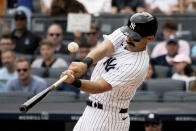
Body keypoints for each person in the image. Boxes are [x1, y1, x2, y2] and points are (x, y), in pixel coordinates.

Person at [60, 12, 158, 130]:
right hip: (90, 111)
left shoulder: (136, 65)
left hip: (109, 118)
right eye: (128, 34)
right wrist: (84, 64)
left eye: (135, 37)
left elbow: (98, 87)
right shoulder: (126, 33)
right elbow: (105, 47)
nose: (128, 38)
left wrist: (74, 81)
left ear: (150, 38)